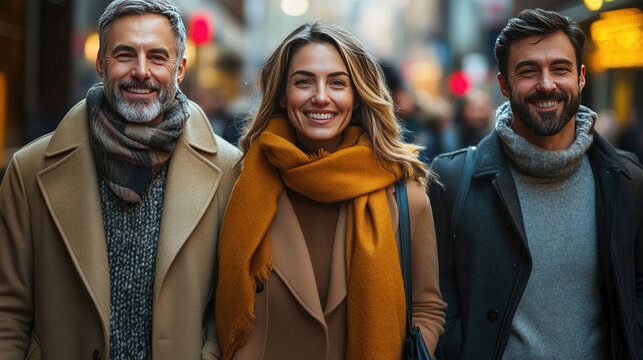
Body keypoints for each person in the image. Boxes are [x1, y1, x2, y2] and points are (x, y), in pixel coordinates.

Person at [0, 0, 242, 359]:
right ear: (101, 63)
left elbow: (229, 309)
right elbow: (9, 312)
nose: (141, 71)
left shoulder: (228, 170)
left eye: (158, 57)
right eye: (125, 54)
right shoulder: (29, 170)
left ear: (180, 69)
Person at [215, 21, 446, 360]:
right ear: (282, 93)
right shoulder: (240, 183)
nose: (320, 96)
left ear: (356, 95)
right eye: (304, 81)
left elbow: (427, 307)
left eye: (338, 83)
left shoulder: (405, 196)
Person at [429, 8, 642, 360]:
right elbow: (434, 295)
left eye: (560, 68)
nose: (546, 84)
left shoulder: (627, 180)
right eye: (528, 71)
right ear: (503, 84)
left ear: (581, 77)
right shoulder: (451, 181)